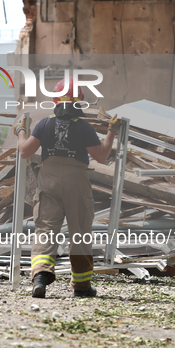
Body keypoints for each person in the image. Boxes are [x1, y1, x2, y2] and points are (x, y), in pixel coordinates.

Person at [13, 77, 120, 298]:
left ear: (56, 100)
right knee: (79, 232)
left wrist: (20, 131)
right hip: (76, 180)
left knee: (45, 230)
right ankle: (81, 286)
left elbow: (25, 152)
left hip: (48, 178)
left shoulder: (44, 124)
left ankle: (40, 277)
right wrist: (112, 132)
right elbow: (101, 156)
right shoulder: (84, 127)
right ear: (78, 101)